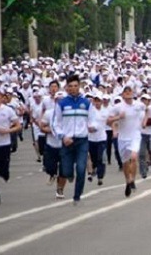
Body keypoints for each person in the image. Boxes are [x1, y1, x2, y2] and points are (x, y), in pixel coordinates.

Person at [52, 75, 92, 205]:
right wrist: (62, 136)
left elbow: (94, 120)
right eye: (71, 86)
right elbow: (55, 123)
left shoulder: (86, 103)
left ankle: (77, 196)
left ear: (79, 86)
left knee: (81, 169)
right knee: (66, 170)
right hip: (67, 141)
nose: (73, 88)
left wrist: (93, 127)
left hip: (82, 140)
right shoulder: (61, 103)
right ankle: (69, 175)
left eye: (76, 86)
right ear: (67, 88)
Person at [107, 86, 147, 198]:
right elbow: (108, 121)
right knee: (125, 163)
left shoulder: (139, 105)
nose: (128, 93)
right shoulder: (117, 107)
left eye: (130, 92)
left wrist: (144, 121)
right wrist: (118, 117)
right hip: (123, 137)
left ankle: (133, 180)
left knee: (134, 157)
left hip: (135, 135)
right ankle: (128, 181)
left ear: (133, 94)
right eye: (126, 92)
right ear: (123, 95)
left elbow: (148, 110)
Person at [0, 88, 22, 205]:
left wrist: (7, 131)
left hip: (4, 144)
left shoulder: (8, 110)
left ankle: (4, 173)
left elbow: (18, 126)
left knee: (3, 169)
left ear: (2, 97)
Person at [87, 93, 109, 186]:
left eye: (99, 101)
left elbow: (110, 121)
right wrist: (89, 128)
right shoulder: (90, 111)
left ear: (101, 101)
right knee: (93, 158)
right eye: (95, 101)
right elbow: (86, 121)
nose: (97, 102)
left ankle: (100, 177)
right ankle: (94, 168)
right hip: (91, 138)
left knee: (101, 158)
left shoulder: (105, 112)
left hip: (102, 138)